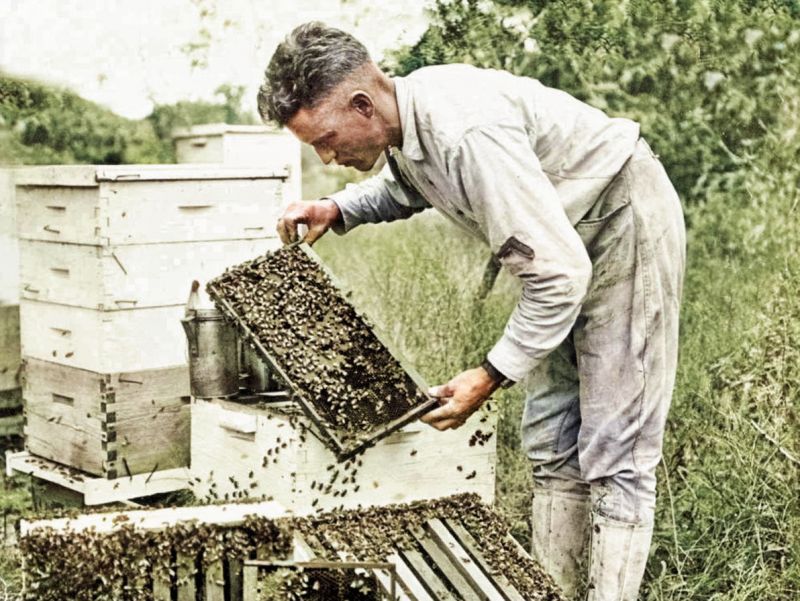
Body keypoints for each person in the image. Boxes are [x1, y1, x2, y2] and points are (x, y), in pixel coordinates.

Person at [258, 22, 685, 601]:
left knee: (616, 444)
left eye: (326, 140)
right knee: (553, 439)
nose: (327, 157)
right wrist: (338, 207)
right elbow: (411, 187)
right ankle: (554, 591)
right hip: (562, 242)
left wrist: (489, 375)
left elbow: (560, 276)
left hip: (618, 222)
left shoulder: (463, 130)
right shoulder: (405, 122)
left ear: (362, 103)